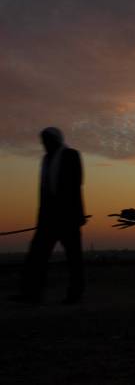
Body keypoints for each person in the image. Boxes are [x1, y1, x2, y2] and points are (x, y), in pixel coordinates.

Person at [10, 127, 86, 304]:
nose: (44, 144)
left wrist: (71, 213)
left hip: (68, 217)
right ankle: (31, 293)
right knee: (37, 256)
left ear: (56, 140)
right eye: (43, 141)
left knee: (73, 258)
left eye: (47, 140)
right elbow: (44, 191)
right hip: (48, 218)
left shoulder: (71, 155)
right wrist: (42, 218)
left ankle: (75, 294)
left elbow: (75, 184)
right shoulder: (46, 159)